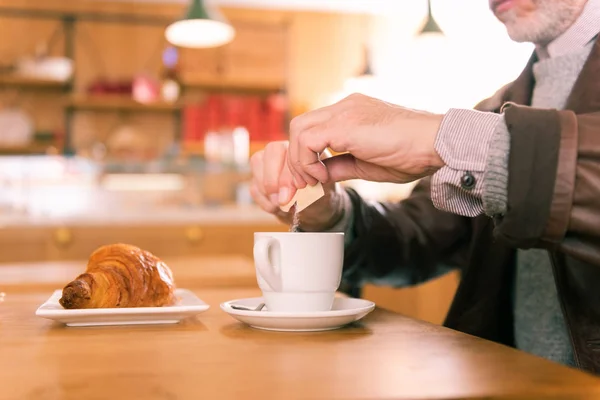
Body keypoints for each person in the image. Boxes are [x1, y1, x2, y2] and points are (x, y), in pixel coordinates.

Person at [250, 0, 600, 374]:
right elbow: (419, 236)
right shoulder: (499, 106)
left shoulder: (486, 120)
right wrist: (331, 211)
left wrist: (444, 135)